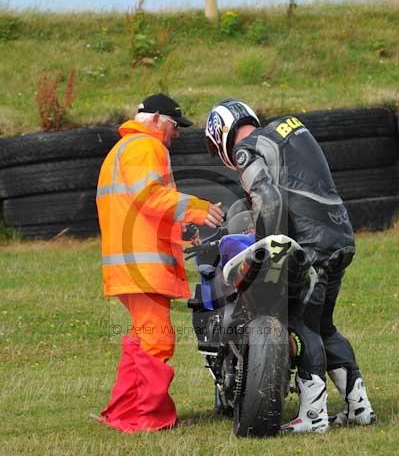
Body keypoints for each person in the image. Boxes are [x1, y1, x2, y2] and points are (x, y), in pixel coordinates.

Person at [205, 98, 376, 433]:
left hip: (309, 243)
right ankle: (359, 407)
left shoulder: (247, 151)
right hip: (339, 233)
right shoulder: (289, 130)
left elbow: (269, 200)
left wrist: (265, 251)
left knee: (300, 324)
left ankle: (313, 416)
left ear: (221, 136)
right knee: (324, 325)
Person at [96, 93, 224, 433]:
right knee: (157, 339)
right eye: (173, 125)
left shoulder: (122, 150)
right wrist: (198, 208)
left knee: (142, 337)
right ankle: (145, 418)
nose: (177, 133)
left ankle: (123, 412)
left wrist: (182, 233)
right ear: (154, 119)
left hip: (127, 263)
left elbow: (138, 210)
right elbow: (149, 196)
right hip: (142, 266)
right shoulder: (145, 147)